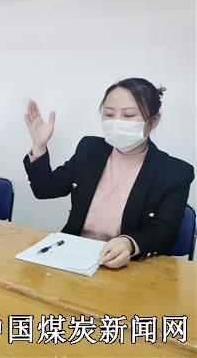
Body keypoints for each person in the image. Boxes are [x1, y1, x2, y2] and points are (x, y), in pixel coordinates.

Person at [23, 78, 194, 268]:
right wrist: (39, 147)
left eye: (128, 115)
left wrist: (129, 243)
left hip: (127, 265)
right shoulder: (90, 149)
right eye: (109, 114)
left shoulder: (175, 172)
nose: (116, 122)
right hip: (74, 256)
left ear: (153, 121)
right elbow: (45, 190)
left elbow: (165, 231)